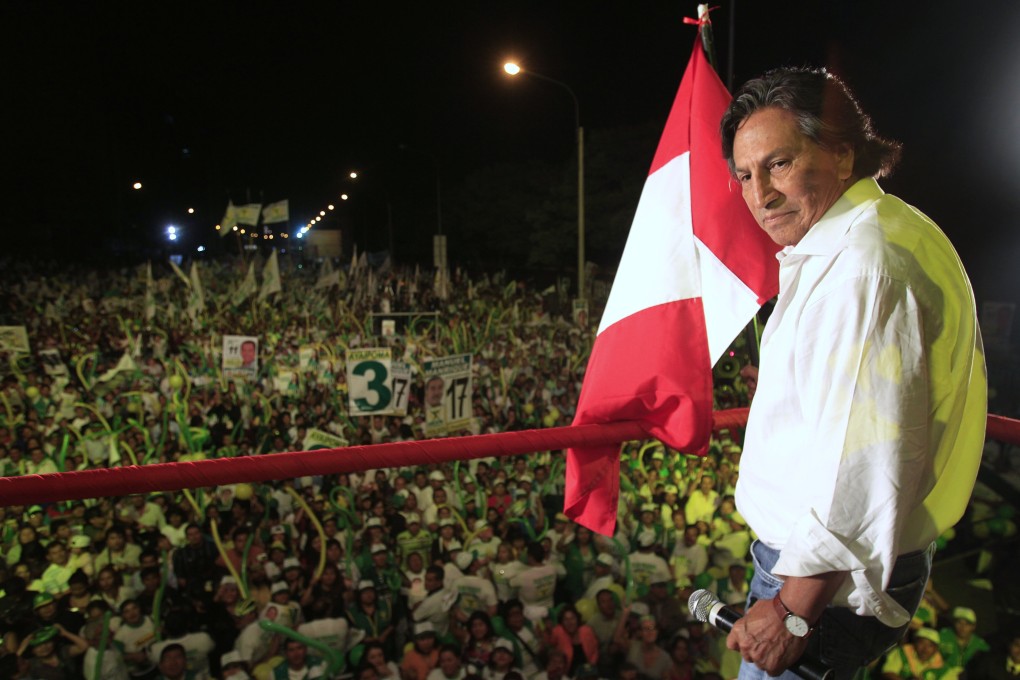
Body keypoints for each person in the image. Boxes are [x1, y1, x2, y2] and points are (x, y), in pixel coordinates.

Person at [719, 67, 987, 680]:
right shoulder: (876, 237)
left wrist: (791, 610)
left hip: (819, 589)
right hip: (825, 576)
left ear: (842, 155)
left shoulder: (864, 268)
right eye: (744, 175)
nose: (760, 194)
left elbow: (859, 463)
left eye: (779, 164)